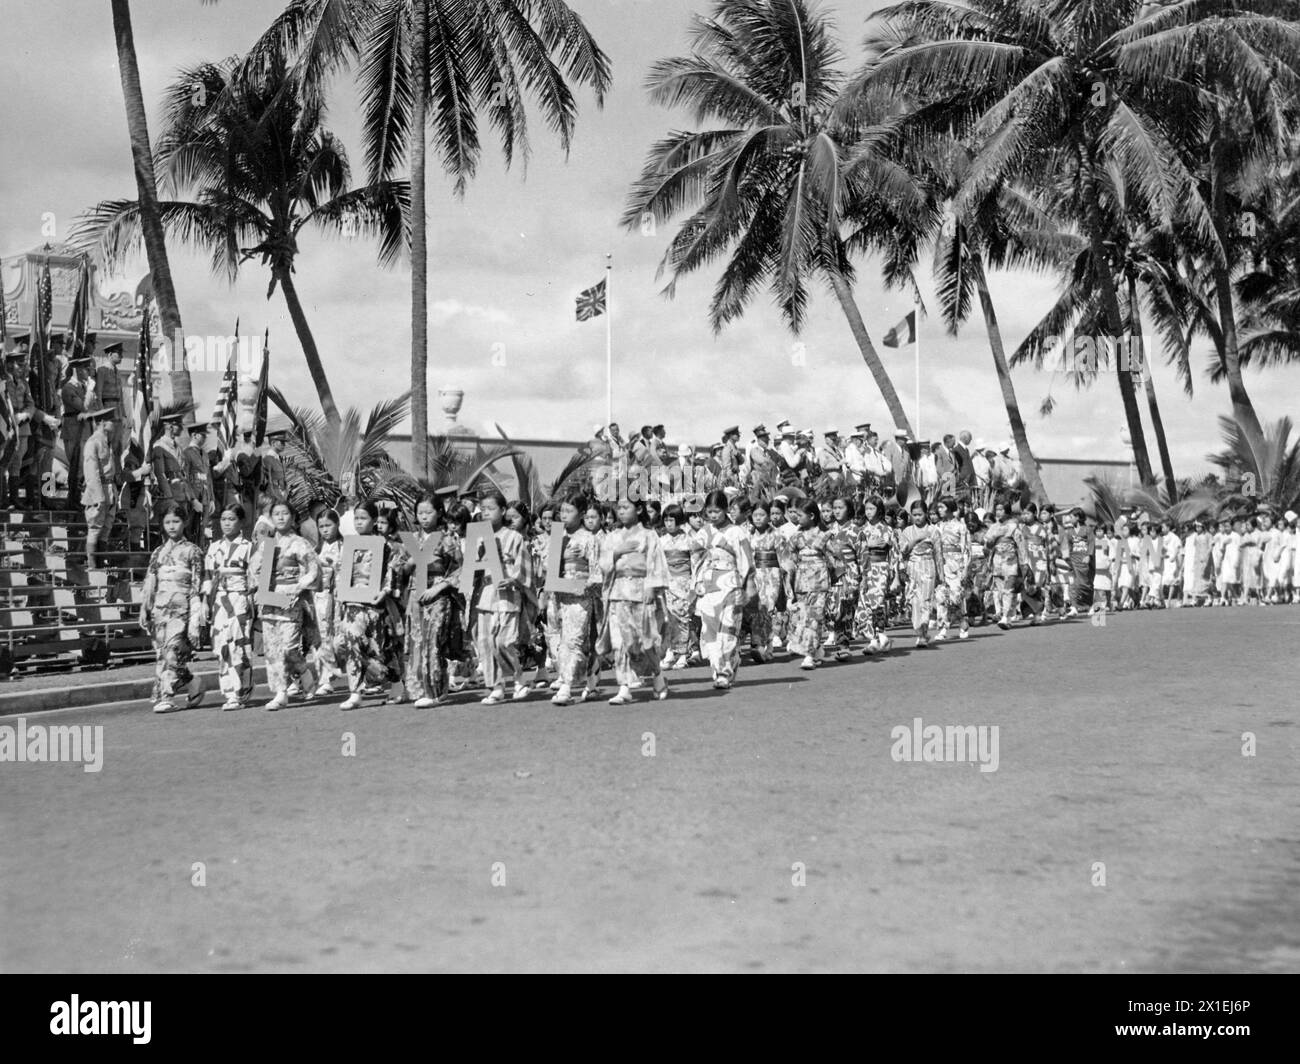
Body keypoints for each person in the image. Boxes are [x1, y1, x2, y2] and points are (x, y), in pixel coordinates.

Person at [249, 501, 320, 710]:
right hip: (271, 598)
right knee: (272, 649)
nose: (280, 518)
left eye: (285, 513)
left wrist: (300, 586)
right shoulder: (266, 544)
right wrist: (255, 587)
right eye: (276, 514)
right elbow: (254, 569)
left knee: (289, 647)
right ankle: (280, 692)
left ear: (293, 517)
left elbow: (312, 569)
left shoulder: (300, 543)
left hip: (291, 598)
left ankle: (304, 672)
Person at [598, 498, 670, 704]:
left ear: (638, 509)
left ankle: (657, 676)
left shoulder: (649, 535)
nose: (620, 512)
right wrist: (617, 552)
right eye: (618, 508)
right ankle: (624, 687)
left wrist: (651, 586)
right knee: (619, 642)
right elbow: (602, 564)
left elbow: (656, 562)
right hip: (618, 591)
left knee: (645, 640)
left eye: (625, 508)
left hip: (641, 589)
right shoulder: (613, 536)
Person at [139, 501, 205, 714]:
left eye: (176, 521)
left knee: (172, 652)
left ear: (184, 523)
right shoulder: (157, 552)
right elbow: (150, 582)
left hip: (181, 608)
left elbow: (196, 584)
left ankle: (167, 696)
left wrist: (195, 615)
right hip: (160, 609)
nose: (172, 526)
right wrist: (144, 608)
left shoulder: (193, 551)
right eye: (167, 522)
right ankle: (193, 684)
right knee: (162, 654)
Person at [469, 492, 531, 705]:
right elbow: (469, 568)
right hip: (485, 594)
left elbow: (524, 568)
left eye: (491, 508)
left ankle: (518, 677)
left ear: (503, 511)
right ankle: (496, 686)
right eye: (483, 508)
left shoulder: (515, 537)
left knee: (503, 641)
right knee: (485, 642)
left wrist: (513, 579)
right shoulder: (477, 537)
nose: (486, 512)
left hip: (507, 594)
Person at [403, 492, 465, 708]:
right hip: (415, 595)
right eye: (420, 512)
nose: (424, 517)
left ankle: (436, 690)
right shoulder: (411, 539)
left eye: (429, 512)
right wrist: (409, 564)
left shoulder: (447, 540)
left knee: (433, 642)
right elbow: (399, 569)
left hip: (438, 597)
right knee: (417, 642)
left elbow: (460, 568)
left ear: (439, 513)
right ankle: (419, 688)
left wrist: (440, 586)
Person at [694, 489, 754, 690]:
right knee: (709, 629)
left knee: (728, 628)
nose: (713, 516)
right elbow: (696, 558)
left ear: (726, 510)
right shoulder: (703, 532)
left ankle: (726, 671)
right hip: (708, 584)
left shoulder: (737, 532)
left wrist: (748, 584)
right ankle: (717, 667)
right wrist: (697, 582)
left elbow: (746, 560)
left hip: (731, 583)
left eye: (717, 511)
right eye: (709, 512)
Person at [546, 495, 603, 706]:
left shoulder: (589, 539)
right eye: (562, 511)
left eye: (569, 511)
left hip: (581, 598)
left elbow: (597, 574)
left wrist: (583, 585)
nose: (564, 515)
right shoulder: (557, 537)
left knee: (575, 640)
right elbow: (547, 569)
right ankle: (591, 680)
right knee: (561, 643)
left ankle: (566, 687)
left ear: (580, 514)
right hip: (558, 599)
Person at [203, 503, 256, 710]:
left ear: (241, 522)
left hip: (240, 599)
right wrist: (206, 603)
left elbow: (253, 577)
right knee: (220, 645)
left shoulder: (249, 547)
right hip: (219, 601)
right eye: (224, 519)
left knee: (237, 644)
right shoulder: (214, 547)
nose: (227, 523)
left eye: (231, 519)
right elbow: (208, 576)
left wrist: (250, 598)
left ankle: (238, 691)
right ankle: (228, 690)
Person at [785, 500, 839, 670]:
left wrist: (838, 581)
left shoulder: (825, 536)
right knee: (803, 618)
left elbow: (836, 559)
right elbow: (789, 562)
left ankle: (809, 655)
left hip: (819, 583)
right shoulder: (795, 538)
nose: (796, 517)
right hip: (801, 583)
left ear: (811, 516)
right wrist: (788, 582)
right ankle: (816, 650)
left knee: (814, 618)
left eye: (800, 515)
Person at [896, 500, 945, 648]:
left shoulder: (933, 531)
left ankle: (923, 633)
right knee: (913, 601)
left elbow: (938, 553)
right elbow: (903, 551)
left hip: (928, 566)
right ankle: (918, 629)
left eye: (920, 514)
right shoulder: (907, 531)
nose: (917, 518)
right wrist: (916, 539)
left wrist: (941, 574)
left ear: (925, 514)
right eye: (914, 515)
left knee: (925, 600)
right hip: (912, 568)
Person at [744, 499, 788, 663]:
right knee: (755, 610)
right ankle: (760, 644)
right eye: (755, 515)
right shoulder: (747, 534)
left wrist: (786, 579)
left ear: (768, 516)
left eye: (762, 515)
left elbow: (784, 559)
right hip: (753, 575)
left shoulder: (777, 534)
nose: (758, 518)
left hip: (772, 575)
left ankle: (765, 646)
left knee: (767, 609)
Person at [659, 503, 699, 671]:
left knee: (682, 617)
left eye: (672, 520)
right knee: (668, 618)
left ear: (680, 521)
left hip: (684, 581)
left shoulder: (689, 540)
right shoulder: (661, 541)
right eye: (666, 520)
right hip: (668, 583)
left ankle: (682, 653)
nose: (669, 524)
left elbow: (696, 564)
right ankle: (670, 651)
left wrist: (694, 585)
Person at [854, 496, 897, 652]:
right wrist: (868, 545)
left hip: (880, 567)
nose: (869, 512)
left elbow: (894, 553)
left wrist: (896, 575)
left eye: (872, 508)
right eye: (867, 509)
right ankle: (875, 639)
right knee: (863, 604)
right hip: (864, 569)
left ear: (879, 510)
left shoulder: (887, 530)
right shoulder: (860, 530)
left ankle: (880, 635)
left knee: (876, 602)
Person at [79, 405, 120, 569]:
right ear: (102, 422)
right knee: (95, 527)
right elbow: (91, 472)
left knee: (106, 526)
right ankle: (92, 563)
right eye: (111, 420)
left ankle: (101, 560)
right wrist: (98, 496)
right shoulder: (93, 442)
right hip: (98, 489)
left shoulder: (106, 442)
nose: (114, 423)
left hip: (109, 488)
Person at [984, 500, 1028, 629]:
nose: (998, 512)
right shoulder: (993, 527)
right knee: (1000, 590)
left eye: (1001, 509)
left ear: (1007, 511)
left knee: (1008, 589)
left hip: (1011, 561)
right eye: (997, 510)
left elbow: (1021, 545)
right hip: (997, 562)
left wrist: (1024, 563)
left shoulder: (1014, 526)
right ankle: (1008, 615)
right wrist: (991, 541)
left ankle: (1005, 617)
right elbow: (987, 545)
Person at [59, 354, 93, 509]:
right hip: (72, 430)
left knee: (82, 466)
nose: (89, 370)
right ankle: (72, 500)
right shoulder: (69, 388)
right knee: (75, 465)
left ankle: (75, 499)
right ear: (77, 370)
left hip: (84, 430)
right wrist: (91, 390)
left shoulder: (82, 387)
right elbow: (84, 406)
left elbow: (93, 408)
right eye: (86, 368)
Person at [934, 496, 970, 639]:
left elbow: (966, 549)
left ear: (949, 507)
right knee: (941, 596)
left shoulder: (961, 526)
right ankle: (943, 628)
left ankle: (962, 622)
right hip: (941, 564)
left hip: (956, 564)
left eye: (942, 507)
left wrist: (966, 568)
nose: (939, 510)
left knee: (956, 597)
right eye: (939, 507)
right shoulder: (938, 527)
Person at [151, 410, 192, 511]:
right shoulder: (159, 446)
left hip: (183, 493)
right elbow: (160, 473)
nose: (182, 428)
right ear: (170, 427)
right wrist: (169, 496)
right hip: (170, 494)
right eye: (179, 425)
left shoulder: (178, 447)